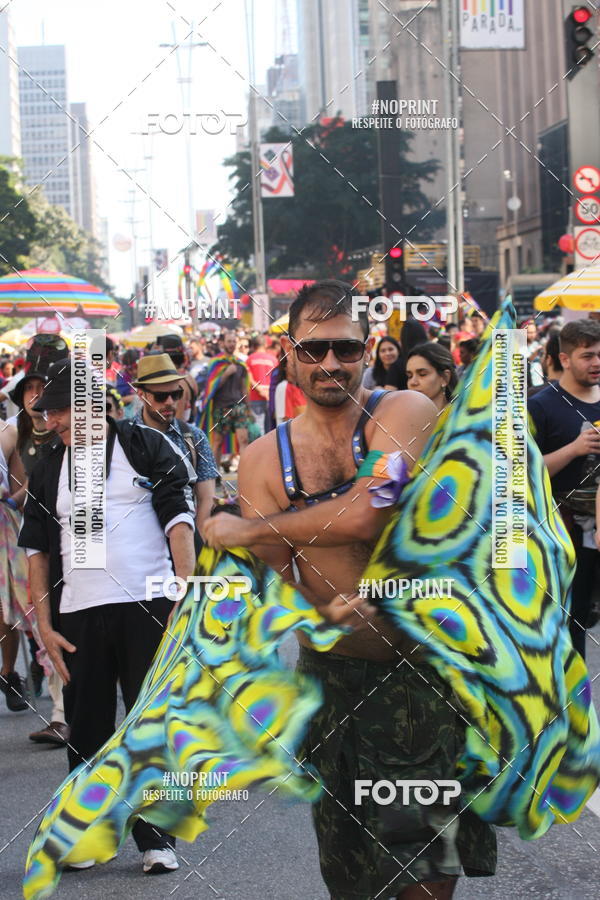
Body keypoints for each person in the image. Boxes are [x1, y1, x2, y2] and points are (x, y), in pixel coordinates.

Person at [202, 279, 496, 898]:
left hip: (422, 678)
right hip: (331, 682)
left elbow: (372, 509)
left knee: (424, 871)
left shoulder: (406, 413)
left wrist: (248, 525)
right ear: (287, 352)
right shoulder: (261, 460)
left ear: (368, 350)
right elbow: (279, 563)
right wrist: (311, 597)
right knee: (351, 873)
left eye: (345, 348)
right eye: (313, 350)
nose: (330, 363)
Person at [19, 358, 196, 875]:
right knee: (87, 729)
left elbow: (178, 519)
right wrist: (44, 626)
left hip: (148, 606)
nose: (56, 423)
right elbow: (36, 551)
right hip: (77, 613)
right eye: (50, 415)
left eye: (65, 411)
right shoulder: (50, 466)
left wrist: (184, 593)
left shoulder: (146, 446)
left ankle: (156, 838)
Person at [528, 320, 600, 659]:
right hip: (565, 534)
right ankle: (575, 700)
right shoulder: (542, 405)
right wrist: (575, 448)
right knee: (574, 620)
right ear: (565, 359)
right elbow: (522, 471)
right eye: (588, 356)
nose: (597, 363)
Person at [9, 359, 69, 744]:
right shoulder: (16, 433)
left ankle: (64, 714)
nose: (35, 396)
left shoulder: (69, 435)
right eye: (29, 390)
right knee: (33, 622)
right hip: (23, 541)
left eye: (40, 389)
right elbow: (15, 490)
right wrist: (22, 494)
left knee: (58, 623)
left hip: (67, 540)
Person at [133, 353, 218, 537]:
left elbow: (206, 499)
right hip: (138, 544)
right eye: (161, 396)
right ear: (142, 395)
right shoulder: (125, 437)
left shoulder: (194, 437)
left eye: (175, 394)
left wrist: (199, 544)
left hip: (185, 537)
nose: (170, 402)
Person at [0, 421, 29, 713]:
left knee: (5, 605)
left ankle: (8, 673)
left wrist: (12, 499)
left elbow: (19, 487)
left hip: (2, 529)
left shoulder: (7, 433)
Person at [199, 330, 251, 469]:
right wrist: (226, 374)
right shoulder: (216, 362)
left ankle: (245, 473)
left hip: (238, 406)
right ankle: (215, 473)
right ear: (223, 343)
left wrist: (248, 408)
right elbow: (211, 386)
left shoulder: (240, 363)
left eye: (234, 341)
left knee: (244, 440)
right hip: (221, 407)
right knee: (217, 442)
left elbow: (244, 387)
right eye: (229, 341)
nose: (231, 344)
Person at [406, 341, 457, 412]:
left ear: (445, 377)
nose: (413, 382)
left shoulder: (460, 418)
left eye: (422, 374)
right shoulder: (405, 417)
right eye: (409, 376)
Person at [246, 333, 277, 434]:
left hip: (255, 397)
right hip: (271, 397)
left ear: (254, 345)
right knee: (270, 428)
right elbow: (277, 378)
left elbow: (248, 378)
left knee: (258, 428)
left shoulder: (249, 359)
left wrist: (259, 389)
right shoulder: (274, 360)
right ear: (265, 345)